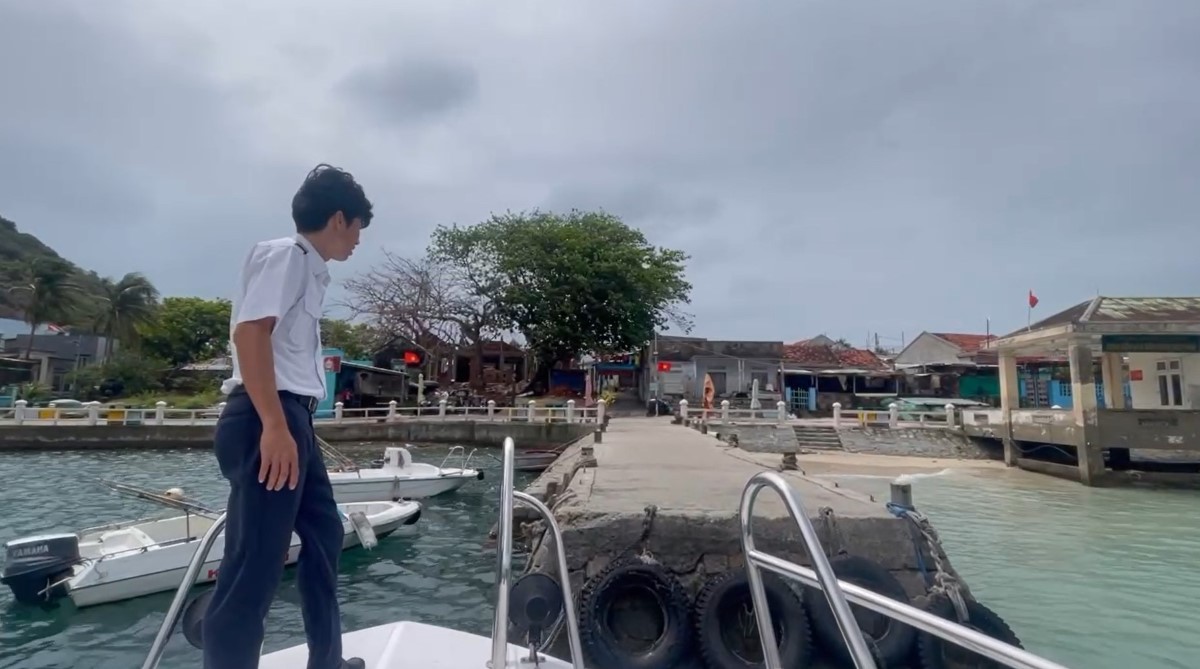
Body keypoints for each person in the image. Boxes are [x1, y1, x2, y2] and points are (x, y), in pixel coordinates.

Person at [202, 164, 373, 669]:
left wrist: (289, 426)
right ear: (339, 218)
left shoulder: (309, 269)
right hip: (265, 419)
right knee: (253, 566)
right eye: (359, 227)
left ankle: (327, 661)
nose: (358, 241)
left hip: (291, 419)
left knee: (325, 535)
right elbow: (251, 335)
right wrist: (274, 427)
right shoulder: (287, 255)